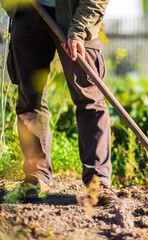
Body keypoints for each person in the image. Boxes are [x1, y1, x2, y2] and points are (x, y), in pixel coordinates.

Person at [1, 0, 118, 206]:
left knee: (89, 98)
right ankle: (36, 178)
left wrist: (80, 28)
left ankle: (97, 181)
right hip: (29, 11)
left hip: (74, 11)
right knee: (30, 100)